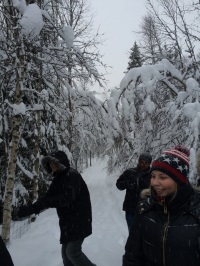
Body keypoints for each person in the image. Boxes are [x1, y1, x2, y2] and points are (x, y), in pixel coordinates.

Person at [122, 146, 200, 266]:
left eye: (162, 177)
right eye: (153, 176)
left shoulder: (196, 211)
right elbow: (133, 256)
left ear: (180, 180)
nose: (154, 182)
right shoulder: (145, 209)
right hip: (130, 208)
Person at [17, 150, 96, 266]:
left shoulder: (72, 175)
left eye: (54, 163)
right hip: (68, 222)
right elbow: (47, 197)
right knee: (65, 255)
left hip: (80, 220)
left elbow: (66, 198)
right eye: (49, 164)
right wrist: (31, 209)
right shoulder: (58, 178)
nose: (51, 166)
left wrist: (48, 202)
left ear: (61, 162)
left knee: (73, 252)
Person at [116, 151, 152, 231]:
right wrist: (127, 183)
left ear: (149, 163)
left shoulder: (153, 175)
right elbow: (118, 185)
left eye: (145, 163)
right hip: (130, 210)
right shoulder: (130, 172)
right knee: (132, 233)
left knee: (146, 234)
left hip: (146, 211)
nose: (142, 164)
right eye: (141, 161)